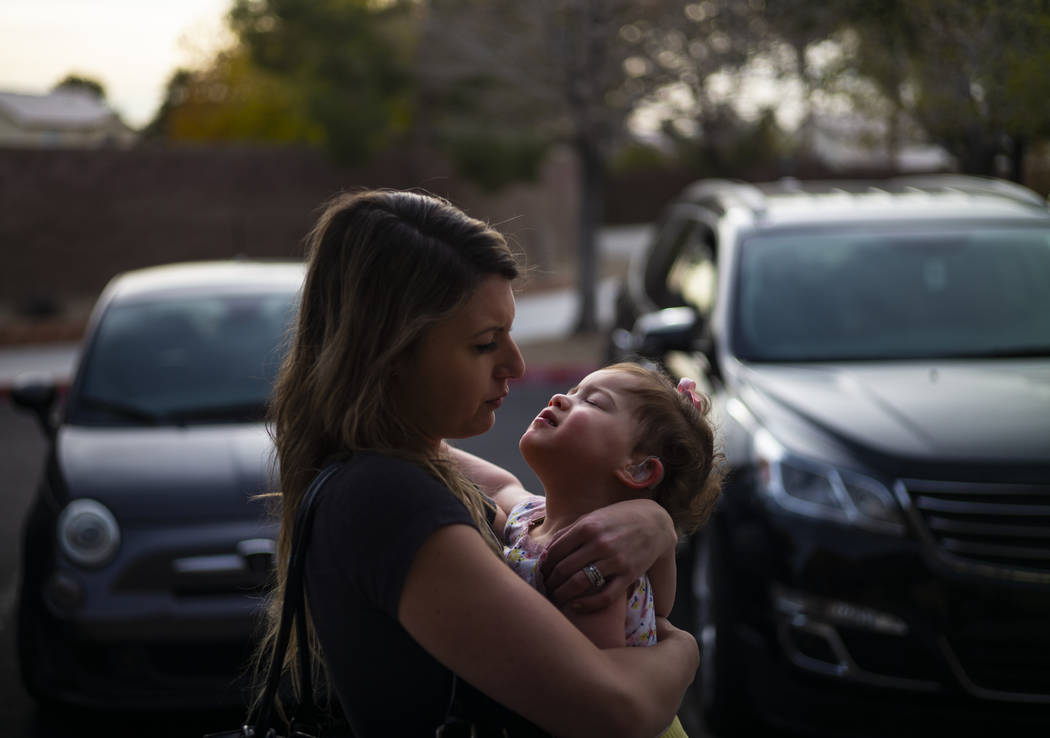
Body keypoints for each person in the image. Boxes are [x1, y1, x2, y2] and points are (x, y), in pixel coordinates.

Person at [260, 189, 699, 737]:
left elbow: (513, 495)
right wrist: (683, 650)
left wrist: (653, 521)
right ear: (390, 355)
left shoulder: (405, 466)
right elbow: (616, 713)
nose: (514, 365)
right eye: (485, 344)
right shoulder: (384, 497)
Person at [449, 364, 724, 738]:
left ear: (639, 470)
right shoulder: (533, 517)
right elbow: (497, 488)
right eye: (576, 389)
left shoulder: (594, 565)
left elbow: (594, 697)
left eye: (592, 402)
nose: (561, 396)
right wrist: (417, 443)